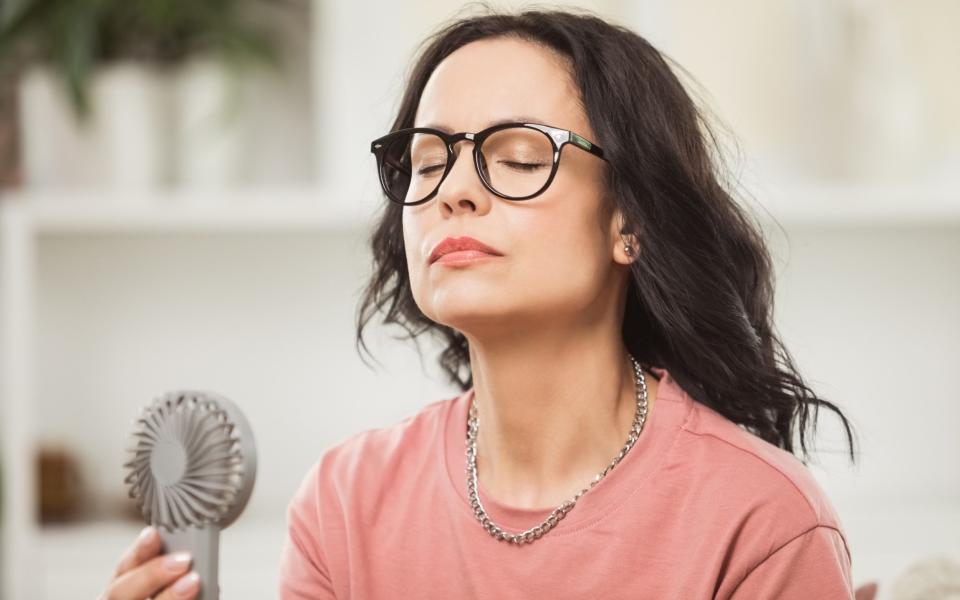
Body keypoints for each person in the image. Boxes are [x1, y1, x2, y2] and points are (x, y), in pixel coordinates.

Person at [101, 6, 859, 600]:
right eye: (428, 161)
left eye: (519, 158)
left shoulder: (761, 523)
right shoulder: (344, 503)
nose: (453, 191)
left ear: (631, 221)